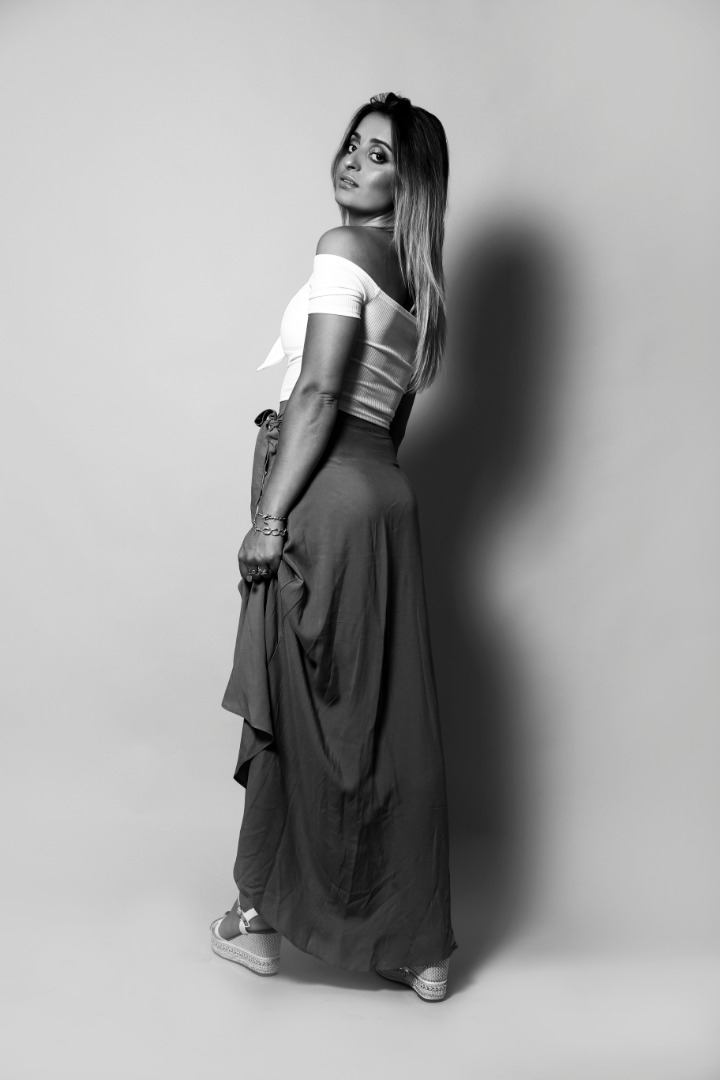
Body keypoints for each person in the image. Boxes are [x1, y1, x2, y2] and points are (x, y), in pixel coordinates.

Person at [211, 92, 457, 1002]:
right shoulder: (422, 286)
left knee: (297, 712)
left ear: (412, 182)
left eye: (379, 154)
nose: (354, 160)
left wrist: (272, 518)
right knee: (386, 728)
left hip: (324, 494)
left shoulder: (343, 248)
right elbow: (390, 421)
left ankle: (257, 921)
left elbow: (317, 394)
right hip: (385, 498)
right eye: (353, 144)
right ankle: (417, 947)